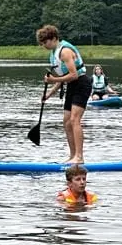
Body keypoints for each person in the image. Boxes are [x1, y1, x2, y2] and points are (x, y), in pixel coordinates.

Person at [36, 24, 92, 163]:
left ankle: (80, 157)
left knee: (74, 120)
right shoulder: (53, 54)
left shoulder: (65, 51)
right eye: (42, 43)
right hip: (72, 86)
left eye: (45, 42)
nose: (44, 45)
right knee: (66, 123)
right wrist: (49, 94)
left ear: (54, 38)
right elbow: (62, 79)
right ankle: (72, 156)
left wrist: (53, 79)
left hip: (82, 83)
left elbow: (73, 75)